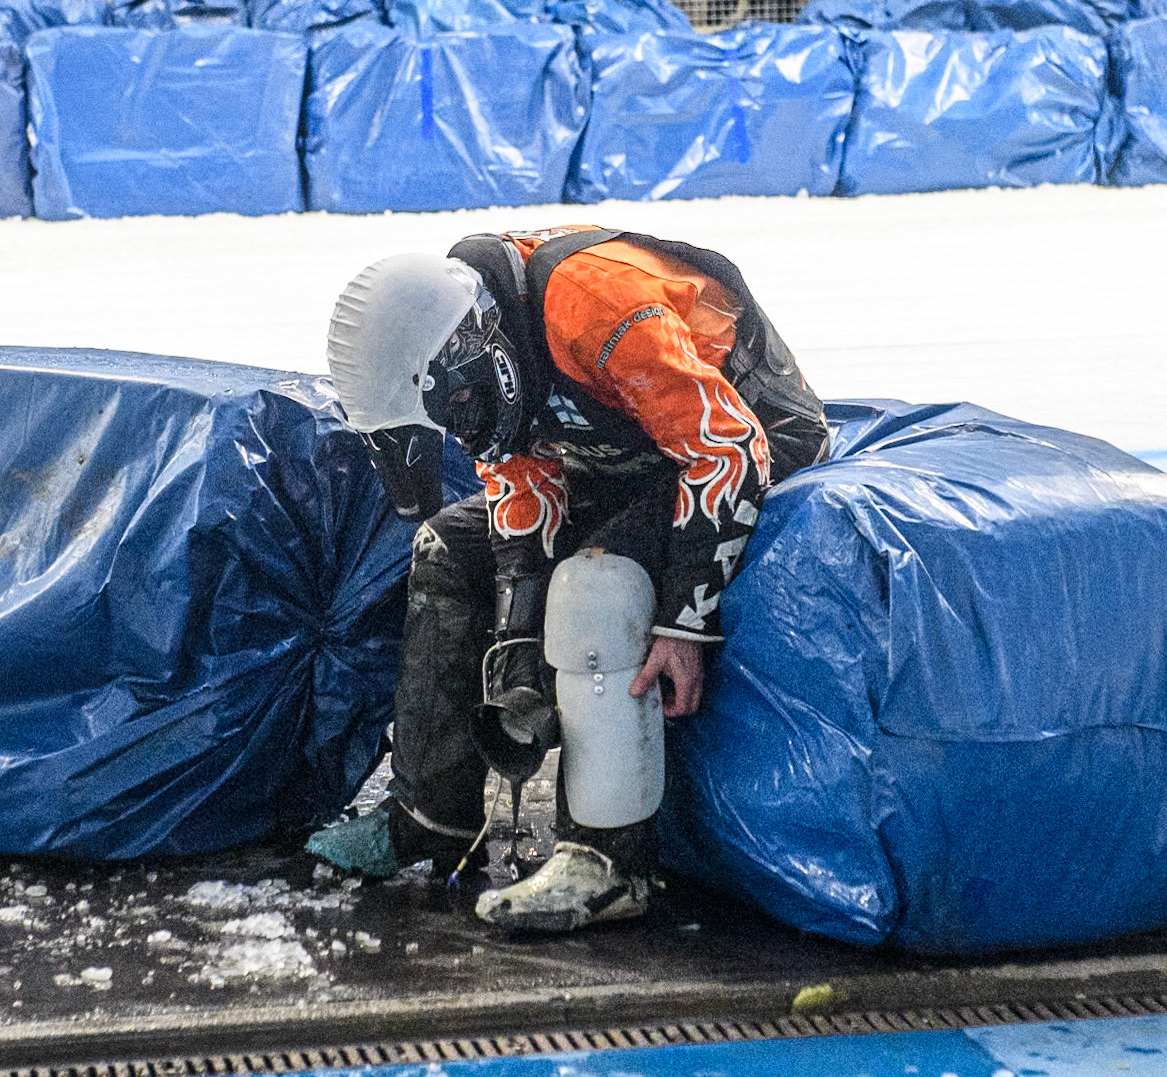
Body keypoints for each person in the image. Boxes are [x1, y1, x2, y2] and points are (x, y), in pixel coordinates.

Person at [311, 226, 828, 932]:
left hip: (750, 438)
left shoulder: (593, 304)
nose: (461, 435)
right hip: (636, 454)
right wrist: (518, 667)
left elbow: (727, 450)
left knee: (596, 585)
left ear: (472, 354)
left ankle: (609, 861)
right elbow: (521, 494)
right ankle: (431, 812)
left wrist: (685, 620)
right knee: (447, 546)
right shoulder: (485, 355)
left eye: (457, 416)